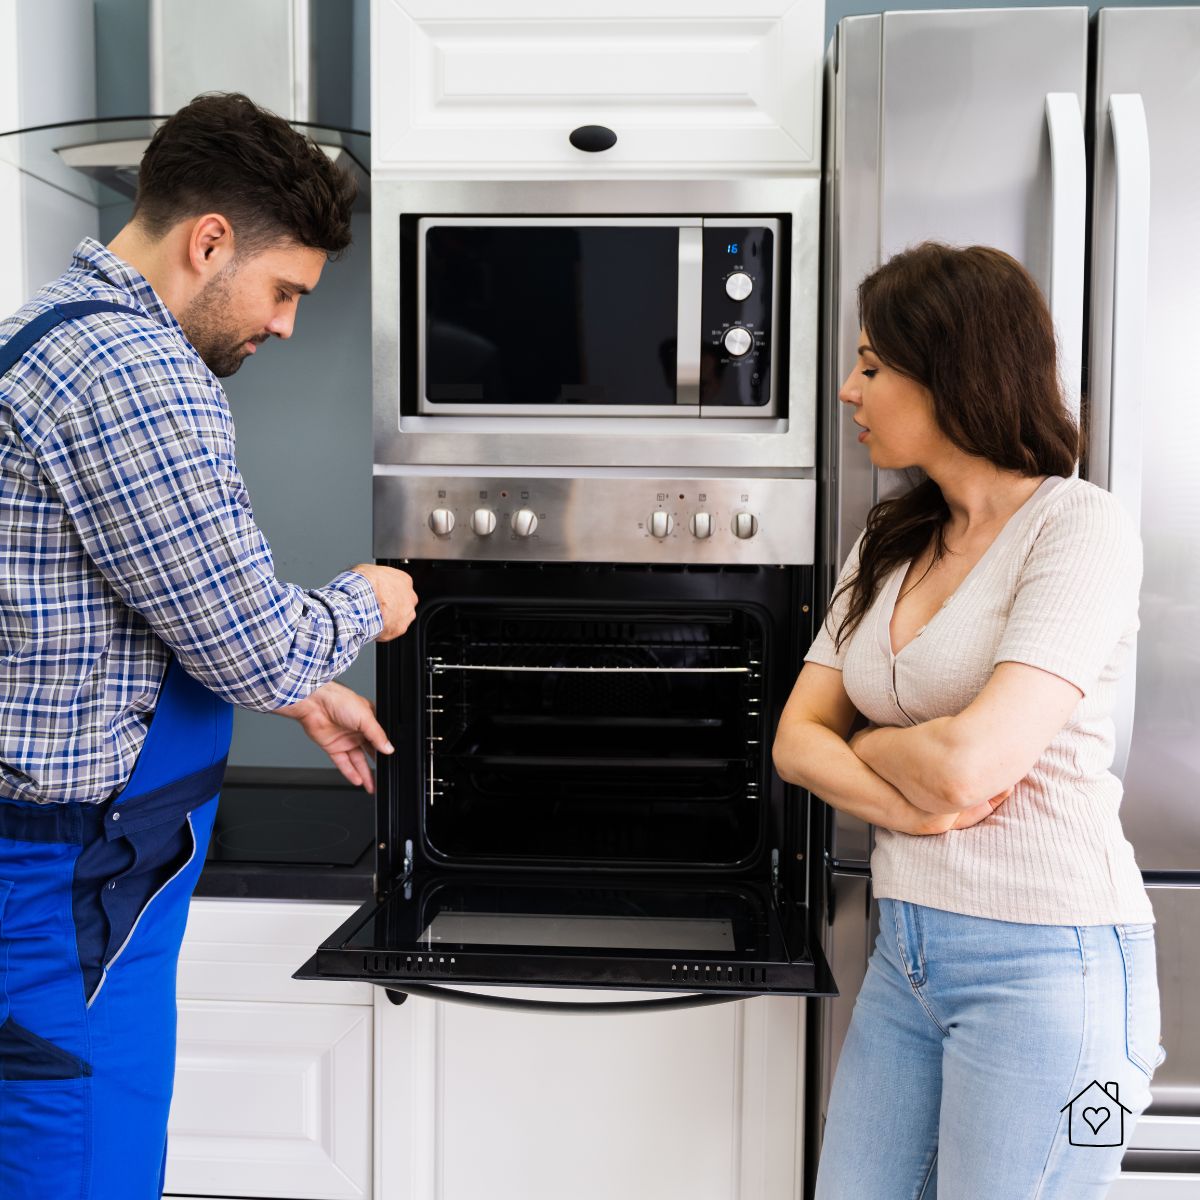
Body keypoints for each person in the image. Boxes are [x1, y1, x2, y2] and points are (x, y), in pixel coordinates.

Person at [0, 93, 417, 1198]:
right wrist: (366, 603)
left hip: (73, 871)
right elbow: (253, 643)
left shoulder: (36, 336)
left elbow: (113, 608)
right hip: (64, 886)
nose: (284, 324)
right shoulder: (134, 373)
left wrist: (297, 693)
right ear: (211, 240)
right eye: (285, 291)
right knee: (75, 1156)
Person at [773, 243, 1163, 1198]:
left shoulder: (1079, 528)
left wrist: (864, 745)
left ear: (952, 369)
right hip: (907, 951)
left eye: (871, 366)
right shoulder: (890, 541)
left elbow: (968, 769)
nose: (847, 392)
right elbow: (791, 742)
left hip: (1055, 966)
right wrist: (904, 801)